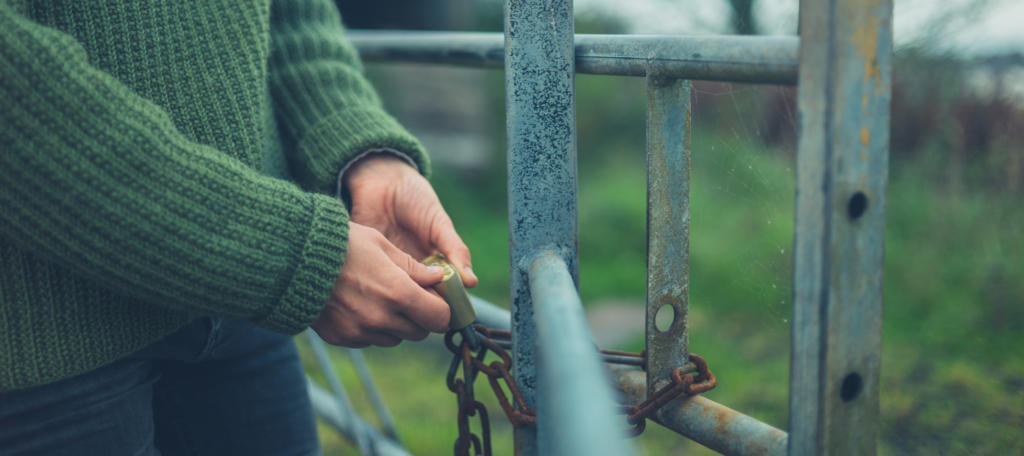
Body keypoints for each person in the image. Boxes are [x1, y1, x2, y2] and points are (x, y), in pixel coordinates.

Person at [0, 0, 475, 454]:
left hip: (242, 313)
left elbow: (291, 16)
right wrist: (284, 255)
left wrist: (365, 152)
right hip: (44, 337)